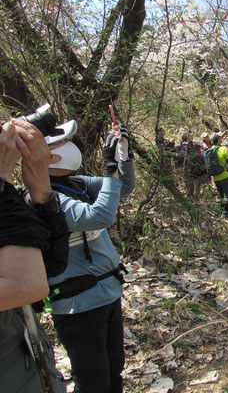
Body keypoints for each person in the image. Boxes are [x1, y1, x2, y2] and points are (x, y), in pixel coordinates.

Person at [46, 117, 135, 393]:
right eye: (62, 142)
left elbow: (124, 188)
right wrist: (110, 170)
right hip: (78, 306)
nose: (70, 146)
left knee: (114, 371)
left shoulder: (77, 183)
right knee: (93, 379)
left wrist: (123, 154)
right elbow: (101, 216)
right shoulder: (47, 199)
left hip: (107, 293)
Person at [1, 118, 70, 393]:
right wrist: (2, 180)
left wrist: (40, 190)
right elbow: (27, 286)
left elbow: (51, 267)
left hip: (34, 373)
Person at [207, 133, 228, 217]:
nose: (221, 138)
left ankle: (220, 210)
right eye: (220, 137)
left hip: (215, 176)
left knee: (220, 194)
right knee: (227, 193)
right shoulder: (224, 149)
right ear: (218, 140)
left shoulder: (210, 150)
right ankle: (226, 212)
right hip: (225, 174)